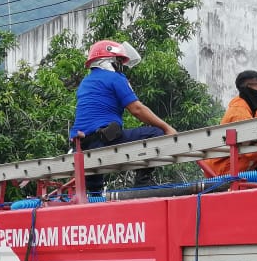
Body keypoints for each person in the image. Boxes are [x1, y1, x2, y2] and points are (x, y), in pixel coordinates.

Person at [70, 39, 177, 195]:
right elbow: (137, 109)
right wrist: (167, 128)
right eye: (119, 61)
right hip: (104, 140)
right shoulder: (115, 78)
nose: (121, 66)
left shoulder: (86, 82)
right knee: (156, 134)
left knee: (94, 192)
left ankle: (95, 196)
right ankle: (142, 185)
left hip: (81, 145)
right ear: (108, 61)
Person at [201, 70, 257, 176]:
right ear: (248, 87)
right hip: (223, 170)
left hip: (236, 165)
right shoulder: (239, 112)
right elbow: (249, 151)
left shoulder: (252, 110)